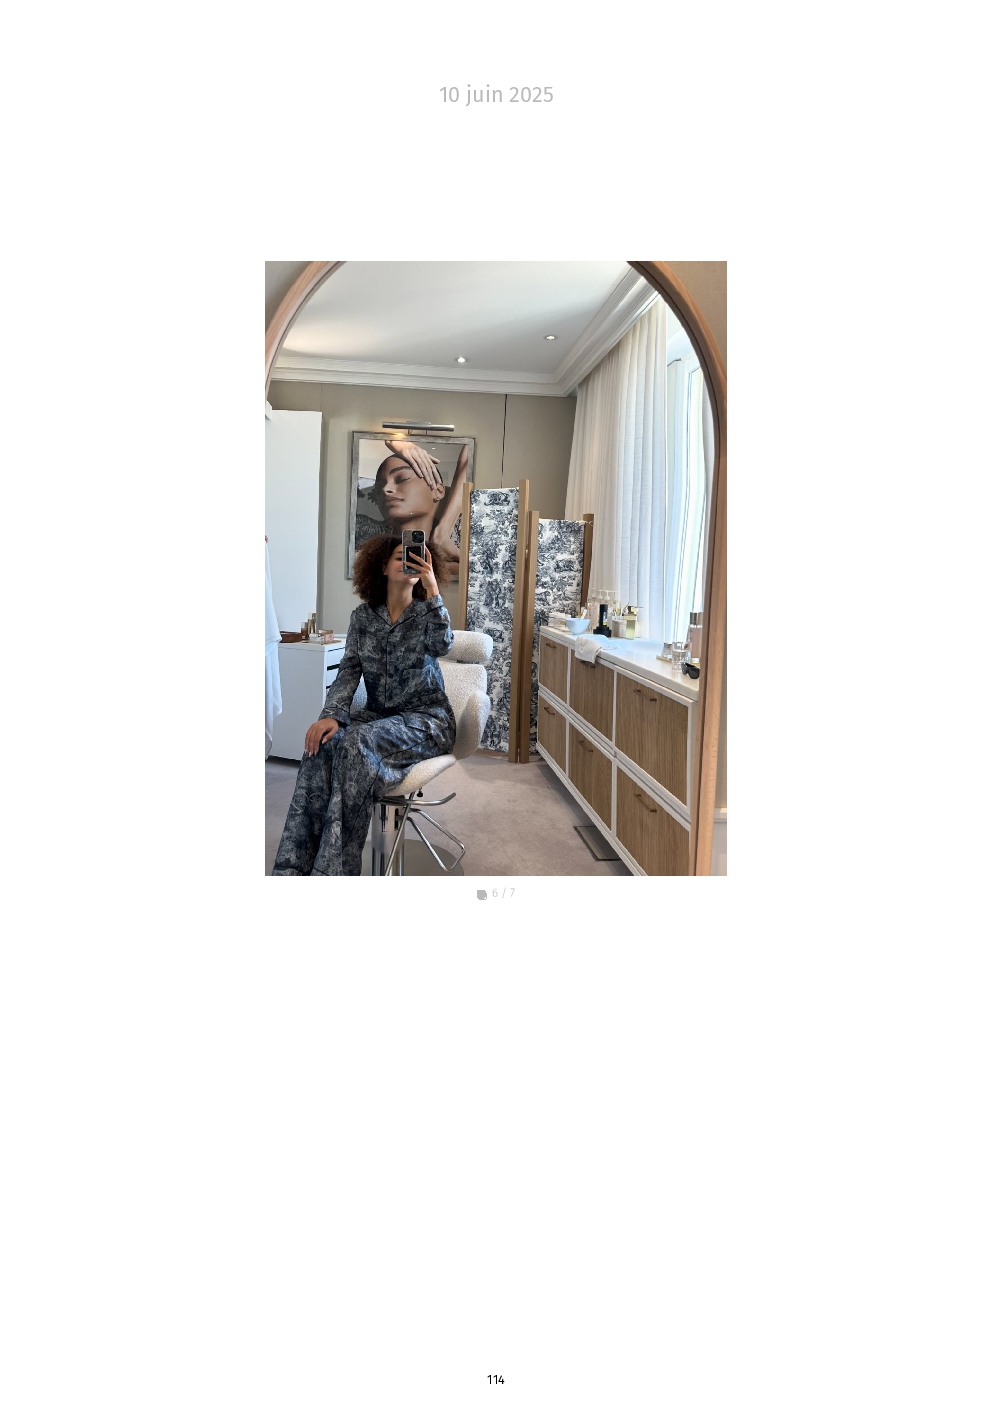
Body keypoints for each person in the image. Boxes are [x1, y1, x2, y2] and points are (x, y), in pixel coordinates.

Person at [271, 537, 456, 876]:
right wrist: (331, 716)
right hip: (378, 717)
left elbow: (443, 645)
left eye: (417, 557)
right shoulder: (363, 618)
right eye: (400, 557)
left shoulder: (427, 612)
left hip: (427, 720)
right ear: (382, 567)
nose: (409, 562)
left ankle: (335, 872)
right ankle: (293, 869)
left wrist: (432, 589)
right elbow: (349, 670)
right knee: (321, 746)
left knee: (357, 743)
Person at [354, 439, 470, 564]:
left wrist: (444, 531)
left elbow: (471, 449)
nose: (385, 489)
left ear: (439, 491)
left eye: (402, 479)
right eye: (378, 488)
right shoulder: (365, 531)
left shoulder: (468, 531)